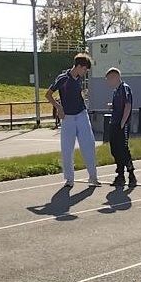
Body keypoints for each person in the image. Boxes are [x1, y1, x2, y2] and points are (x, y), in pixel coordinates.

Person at [45, 53, 100, 188]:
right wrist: (58, 107)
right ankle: (69, 179)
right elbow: (48, 94)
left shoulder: (79, 79)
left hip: (81, 115)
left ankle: (93, 177)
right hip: (68, 118)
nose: (85, 72)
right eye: (85, 69)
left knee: (88, 145)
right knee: (67, 149)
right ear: (79, 66)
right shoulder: (63, 79)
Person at [105, 68, 137, 187]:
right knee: (115, 150)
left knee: (123, 149)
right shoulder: (116, 91)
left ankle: (131, 174)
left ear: (115, 77)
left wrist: (123, 123)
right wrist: (112, 106)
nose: (108, 82)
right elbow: (118, 105)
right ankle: (120, 175)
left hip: (121, 124)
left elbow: (127, 105)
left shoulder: (124, 88)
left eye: (109, 79)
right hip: (114, 123)